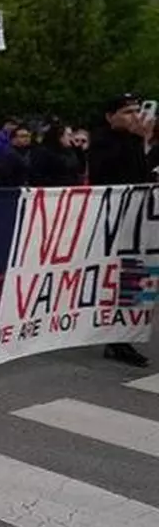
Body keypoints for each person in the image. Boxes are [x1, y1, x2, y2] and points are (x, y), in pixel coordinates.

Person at [88, 94, 154, 368]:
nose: (134, 116)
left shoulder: (136, 140)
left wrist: (144, 141)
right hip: (112, 221)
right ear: (110, 116)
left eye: (137, 111)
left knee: (135, 279)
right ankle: (115, 338)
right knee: (114, 279)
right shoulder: (102, 140)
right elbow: (106, 173)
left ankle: (124, 337)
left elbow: (143, 173)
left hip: (136, 221)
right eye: (127, 112)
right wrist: (136, 140)